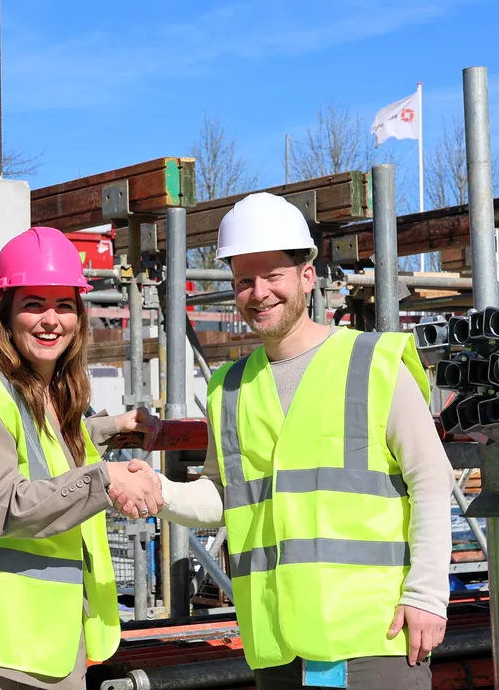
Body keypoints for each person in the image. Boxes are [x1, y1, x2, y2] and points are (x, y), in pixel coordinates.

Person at [114, 193, 454, 689]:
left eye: (273, 275)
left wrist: (426, 594)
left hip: (372, 634)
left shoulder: (372, 363)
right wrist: (159, 492)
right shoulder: (230, 388)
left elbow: (430, 480)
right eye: (244, 281)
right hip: (277, 642)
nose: (259, 293)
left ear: (307, 276)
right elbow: (226, 496)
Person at [0, 226, 164, 690]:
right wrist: (105, 479)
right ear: (6, 314)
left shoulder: (43, 392)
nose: (51, 320)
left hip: (45, 641)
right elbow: (1, 505)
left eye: (64, 305)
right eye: (33, 304)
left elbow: (43, 452)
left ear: (79, 316)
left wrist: (113, 427)